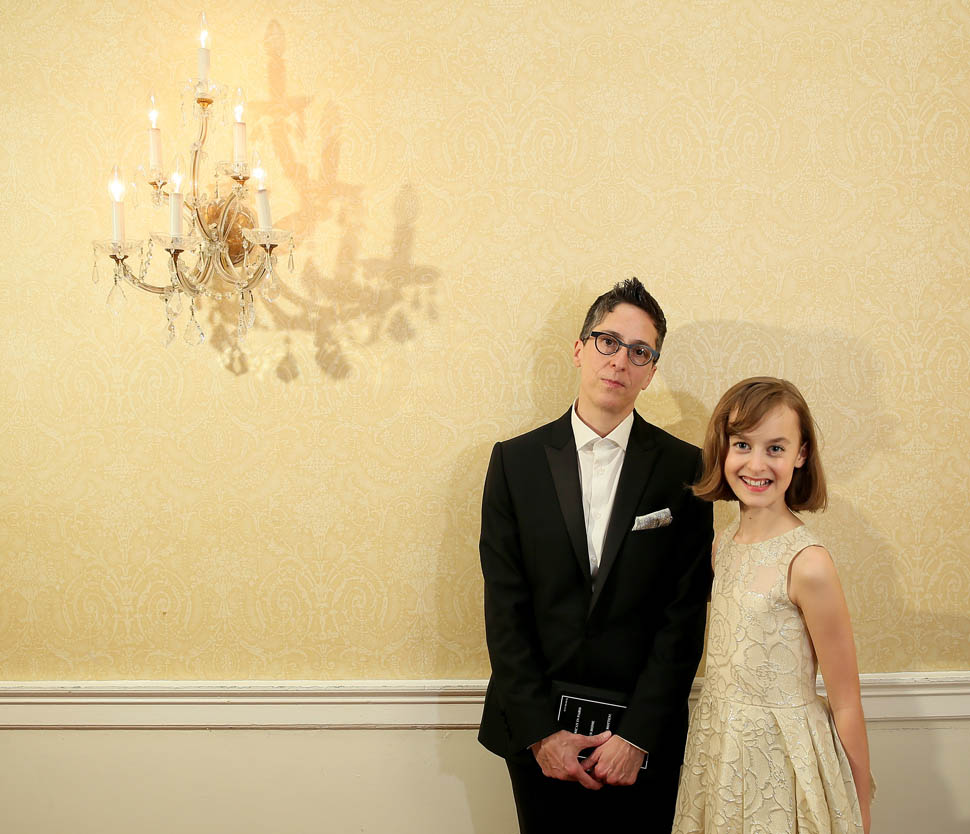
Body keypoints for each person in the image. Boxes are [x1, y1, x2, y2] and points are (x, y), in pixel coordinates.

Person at [478, 278, 714, 834]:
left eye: (640, 351)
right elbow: (504, 609)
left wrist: (637, 736)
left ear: (651, 371)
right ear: (579, 349)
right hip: (537, 730)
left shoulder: (686, 469)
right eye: (608, 341)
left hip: (640, 739)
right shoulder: (514, 462)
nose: (620, 360)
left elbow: (684, 616)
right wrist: (541, 734)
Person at [673, 376, 873, 834]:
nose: (756, 463)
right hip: (718, 754)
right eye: (743, 444)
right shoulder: (722, 545)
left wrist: (858, 812)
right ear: (723, 449)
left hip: (783, 766)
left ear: (801, 454)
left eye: (776, 448)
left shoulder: (809, 564)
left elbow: (846, 701)